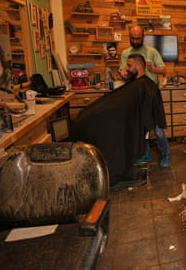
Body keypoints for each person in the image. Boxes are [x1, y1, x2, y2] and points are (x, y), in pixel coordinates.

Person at [70, 54, 166, 188]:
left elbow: (137, 108)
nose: (127, 68)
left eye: (129, 65)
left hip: (119, 116)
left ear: (138, 66)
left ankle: (111, 168)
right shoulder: (137, 83)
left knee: (88, 122)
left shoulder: (144, 85)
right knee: (86, 116)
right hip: (119, 114)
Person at [120, 24, 170, 167]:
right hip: (136, 94)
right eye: (133, 38)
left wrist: (152, 68)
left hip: (151, 94)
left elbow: (163, 69)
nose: (135, 41)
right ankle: (146, 154)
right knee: (142, 128)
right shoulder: (126, 53)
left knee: (158, 129)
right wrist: (123, 73)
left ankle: (166, 154)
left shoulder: (152, 52)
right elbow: (125, 72)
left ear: (143, 37)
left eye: (138, 38)